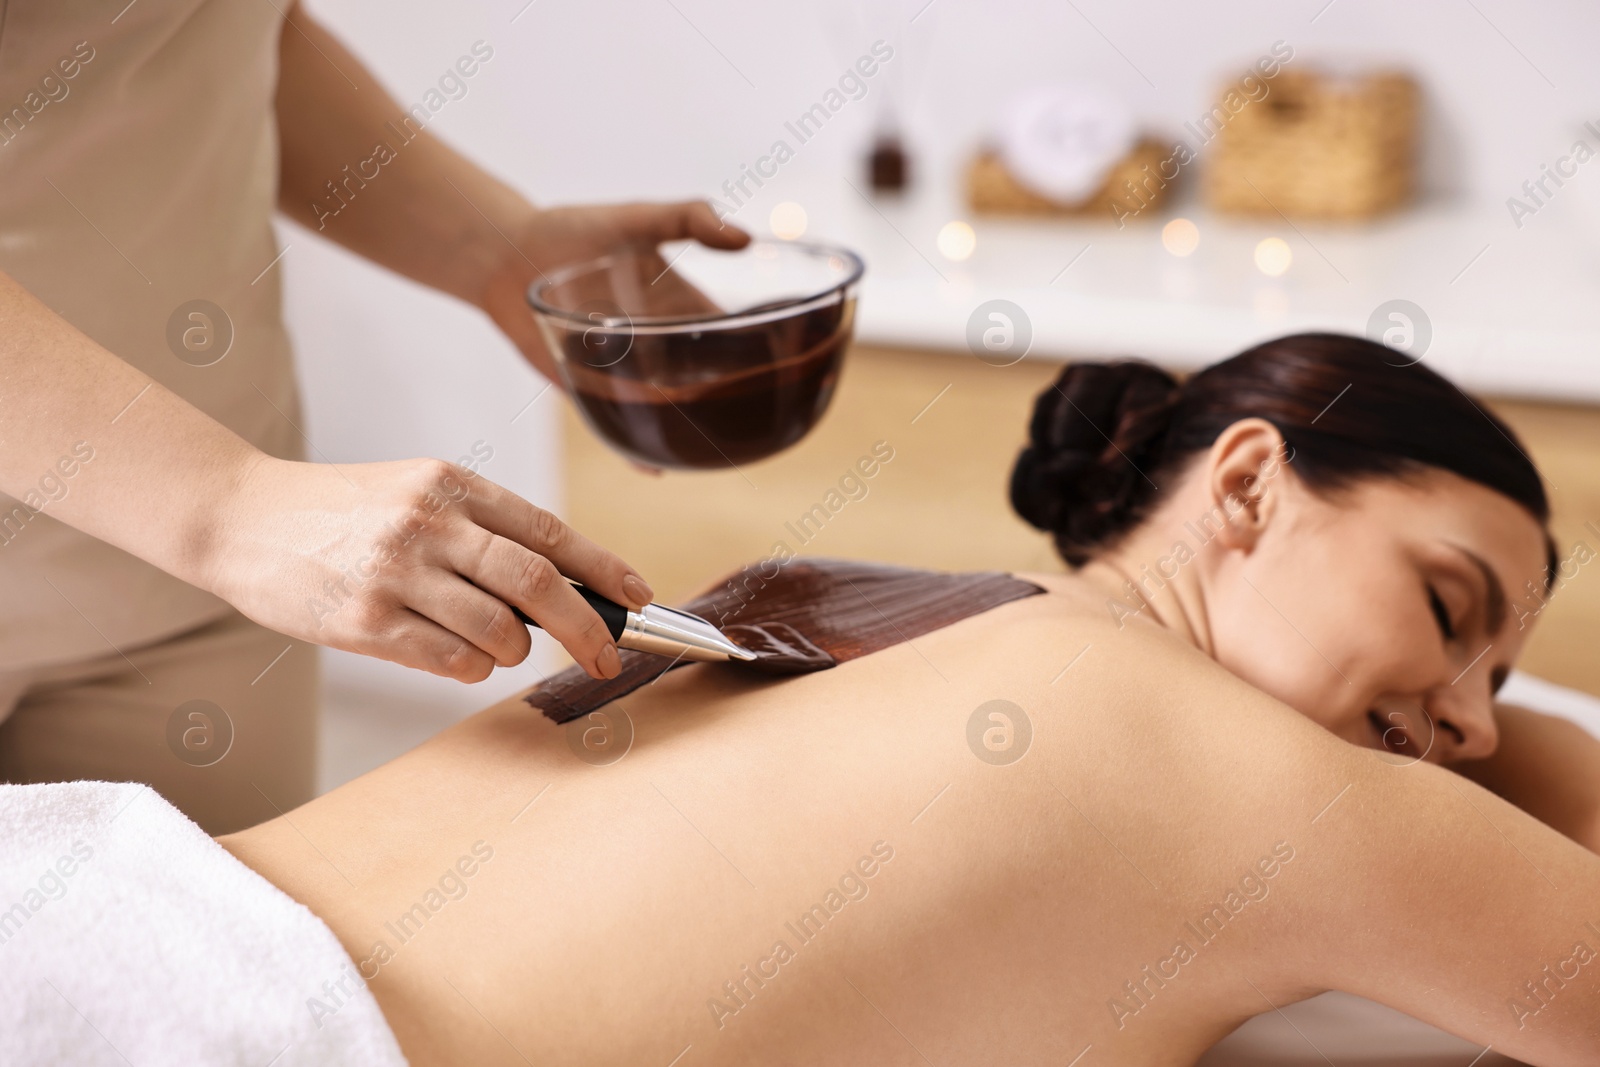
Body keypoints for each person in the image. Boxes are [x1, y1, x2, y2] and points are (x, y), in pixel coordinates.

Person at [218, 335, 1600, 1065]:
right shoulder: (1223, 767)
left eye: (1499, 678)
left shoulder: (828, 589)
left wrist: (1446, 688)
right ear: (1246, 484)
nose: (1475, 720)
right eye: (1446, 606)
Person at [0, 1, 746, 833]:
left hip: (205, 593)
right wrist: (228, 505)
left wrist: (494, 248)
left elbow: (214, 33)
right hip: (218, 524)